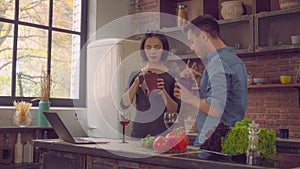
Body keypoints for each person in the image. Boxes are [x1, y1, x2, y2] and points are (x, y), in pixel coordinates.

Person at [174, 15, 248, 147]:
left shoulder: (217, 63)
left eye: (192, 41)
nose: (191, 47)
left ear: (204, 36)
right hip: (230, 141)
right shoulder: (235, 60)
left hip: (214, 143)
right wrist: (202, 79)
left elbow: (215, 108)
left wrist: (190, 98)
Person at [121, 32, 180, 139]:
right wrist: (136, 82)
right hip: (138, 133)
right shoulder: (135, 75)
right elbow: (124, 104)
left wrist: (163, 91)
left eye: (157, 48)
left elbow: (175, 110)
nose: (152, 51)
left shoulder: (172, 76)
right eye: (148, 48)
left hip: (163, 134)